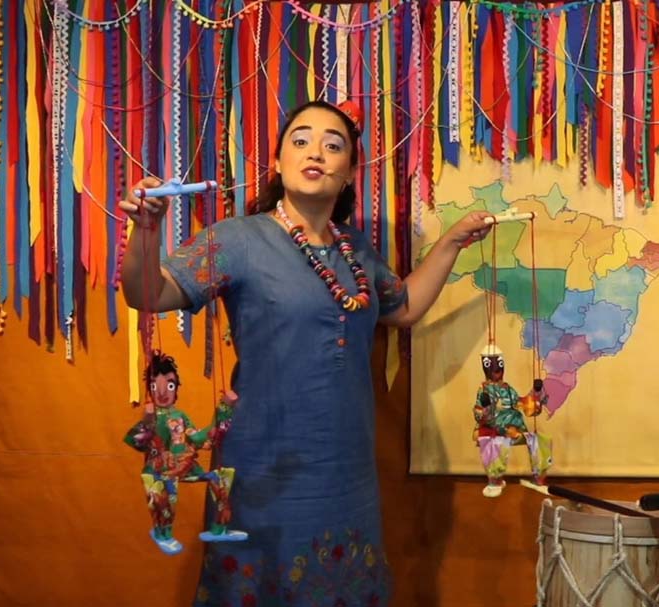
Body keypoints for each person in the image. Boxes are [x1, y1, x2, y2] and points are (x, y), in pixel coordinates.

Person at [118, 100, 492, 606]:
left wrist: (452, 242)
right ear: (278, 161)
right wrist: (146, 230)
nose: (315, 151)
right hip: (262, 472)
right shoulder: (238, 240)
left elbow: (402, 307)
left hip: (347, 474)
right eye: (300, 140)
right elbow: (147, 294)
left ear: (349, 171)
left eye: (332, 145)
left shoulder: (354, 250)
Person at [123, 350, 244, 555]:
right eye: (155, 386)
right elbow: (137, 442)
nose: (163, 392)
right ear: (150, 388)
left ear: (176, 387)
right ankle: (163, 533)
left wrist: (224, 408)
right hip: (160, 471)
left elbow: (197, 437)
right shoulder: (152, 417)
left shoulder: (180, 416)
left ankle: (219, 527)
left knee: (221, 476)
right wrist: (147, 420)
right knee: (167, 488)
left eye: (170, 385)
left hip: (185, 466)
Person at [472, 344, 552, 497]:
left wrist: (536, 392)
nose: (497, 368)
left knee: (540, 440)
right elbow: (479, 412)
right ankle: (495, 481)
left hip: (515, 430)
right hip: (494, 431)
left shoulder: (508, 389)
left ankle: (539, 480)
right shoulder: (484, 389)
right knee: (495, 444)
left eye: (499, 363)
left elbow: (523, 403)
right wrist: (486, 407)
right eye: (491, 364)